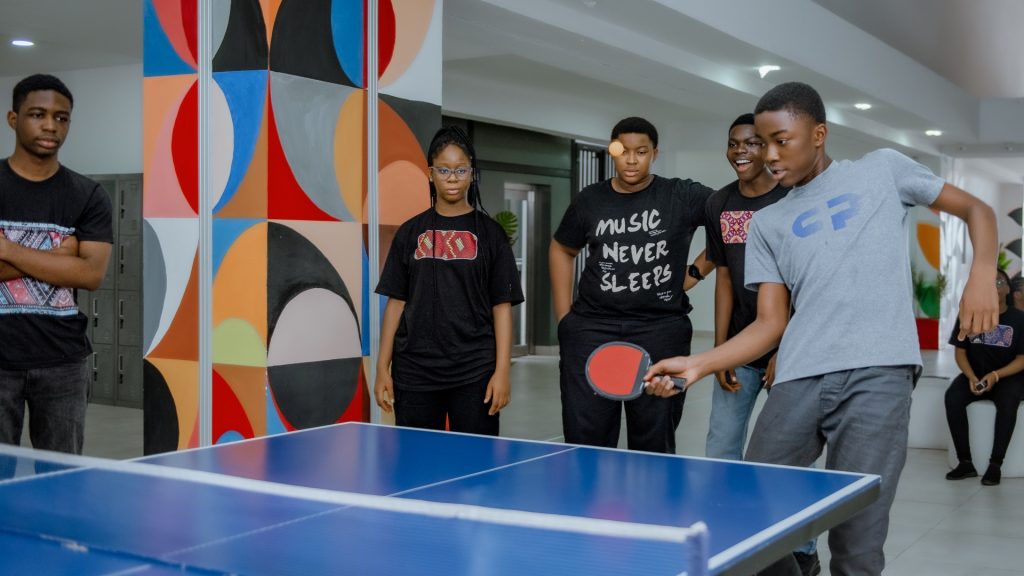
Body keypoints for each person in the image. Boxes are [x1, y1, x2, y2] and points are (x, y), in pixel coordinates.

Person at [644, 82, 998, 575]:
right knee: (749, 522)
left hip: (878, 374)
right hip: (798, 376)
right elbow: (770, 324)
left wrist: (981, 275)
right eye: (761, 142)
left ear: (819, 134)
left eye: (780, 140)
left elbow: (976, 210)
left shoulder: (882, 170)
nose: (768, 155)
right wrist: (699, 362)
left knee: (856, 544)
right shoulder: (768, 224)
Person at [549, 116, 714, 454]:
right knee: (586, 437)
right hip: (591, 328)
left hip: (660, 329)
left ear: (654, 153)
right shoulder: (590, 199)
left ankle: (652, 504)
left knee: (654, 439)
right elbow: (562, 248)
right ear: (612, 151)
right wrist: (565, 318)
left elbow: (730, 219)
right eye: (623, 151)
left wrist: (695, 272)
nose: (632, 159)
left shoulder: (680, 195)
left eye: (641, 151)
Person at [702, 114, 821, 576]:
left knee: (790, 460)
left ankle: (804, 552)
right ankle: (728, 540)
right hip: (740, 346)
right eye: (733, 144)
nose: (741, 152)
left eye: (751, 143)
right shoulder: (719, 203)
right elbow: (725, 275)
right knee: (721, 450)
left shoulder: (790, 198)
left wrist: (781, 350)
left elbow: (802, 281)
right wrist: (719, 350)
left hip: (790, 350)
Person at [374, 126, 523, 435]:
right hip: (414, 371)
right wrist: (381, 368)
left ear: (472, 173)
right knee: (416, 463)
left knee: (474, 468)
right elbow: (396, 303)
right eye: (444, 169)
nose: (452, 177)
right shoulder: (410, 232)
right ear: (431, 173)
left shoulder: (492, 235)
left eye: (460, 169)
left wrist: (502, 372)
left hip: (475, 371)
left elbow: (502, 308)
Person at [0, 74, 113, 454]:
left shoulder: (88, 195)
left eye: (61, 117)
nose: (51, 125)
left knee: (62, 480)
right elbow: (74, 267)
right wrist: (59, 257)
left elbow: (91, 274)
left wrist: (10, 250)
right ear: (13, 119)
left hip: (63, 361)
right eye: (38, 114)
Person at [945, 268, 1024, 486]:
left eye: (1000, 281)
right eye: (989, 281)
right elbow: (960, 352)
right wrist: (971, 377)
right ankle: (965, 463)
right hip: (975, 374)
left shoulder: (1019, 319)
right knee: (953, 398)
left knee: (1009, 403)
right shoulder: (969, 314)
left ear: (1008, 289)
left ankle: (995, 464)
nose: (995, 284)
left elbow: (1022, 359)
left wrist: (996, 375)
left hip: (1008, 376)